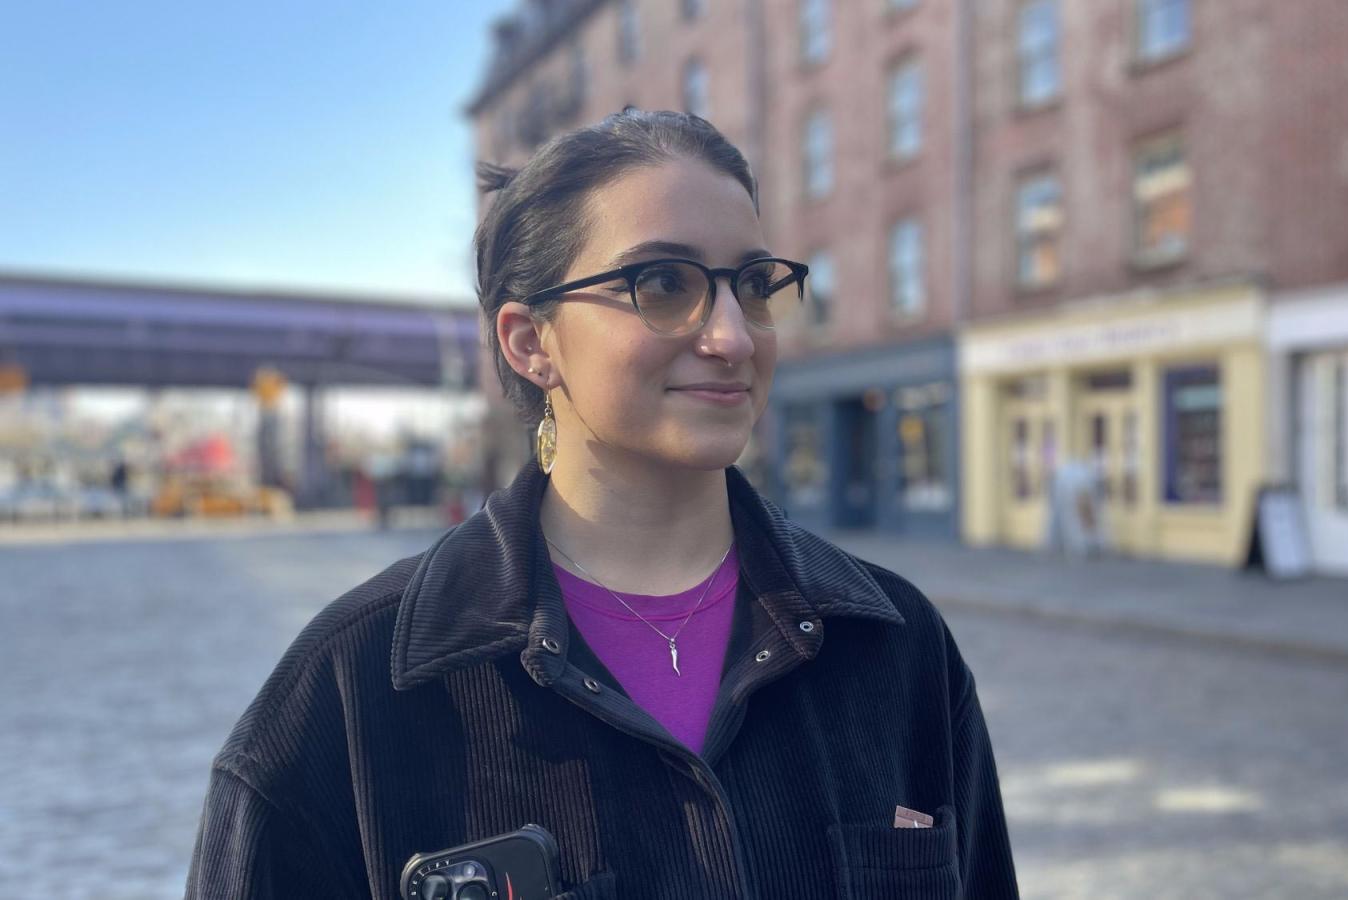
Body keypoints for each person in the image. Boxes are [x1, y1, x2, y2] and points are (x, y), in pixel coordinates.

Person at [186, 109, 1018, 899]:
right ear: (530, 341)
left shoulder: (895, 648)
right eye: (662, 282)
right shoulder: (351, 689)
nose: (732, 335)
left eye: (753, 285)